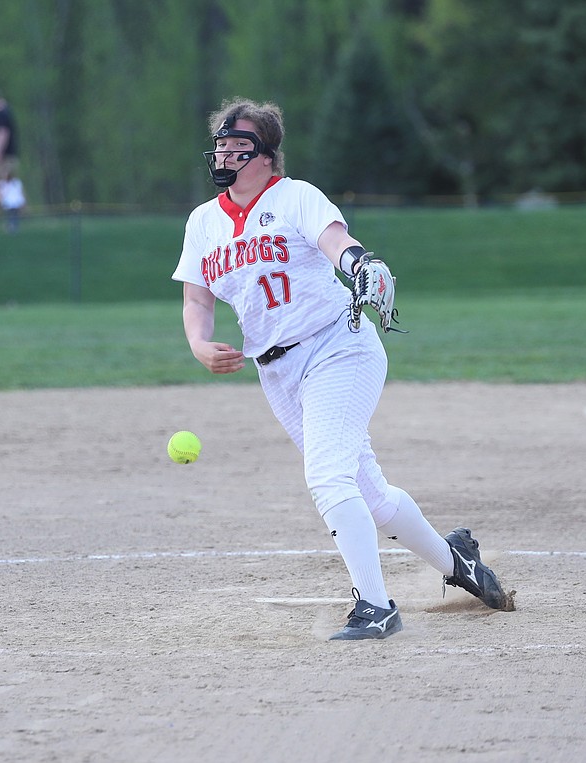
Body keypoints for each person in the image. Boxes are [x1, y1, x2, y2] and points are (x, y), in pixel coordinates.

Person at [172, 98, 516, 641]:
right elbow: (197, 298)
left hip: (338, 347)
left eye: (241, 146)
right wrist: (197, 343)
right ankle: (460, 563)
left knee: (327, 477)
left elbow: (337, 243)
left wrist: (362, 263)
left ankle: (376, 607)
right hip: (278, 372)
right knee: (370, 494)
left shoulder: (295, 197)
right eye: (222, 144)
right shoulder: (203, 222)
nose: (227, 154)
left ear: (267, 156)